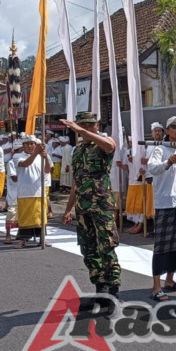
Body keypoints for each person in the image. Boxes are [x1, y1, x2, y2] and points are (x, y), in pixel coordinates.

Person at [61, 112, 121, 305]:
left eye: (89, 125)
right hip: (82, 207)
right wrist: (68, 209)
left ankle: (113, 292)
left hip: (101, 205)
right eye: (81, 125)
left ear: (96, 125)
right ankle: (100, 290)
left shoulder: (104, 142)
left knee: (107, 247)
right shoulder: (78, 151)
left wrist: (78, 130)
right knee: (89, 250)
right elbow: (76, 183)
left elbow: (111, 146)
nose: (85, 129)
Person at [146, 116, 176, 301]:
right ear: (167, 131)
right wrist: (169, 162)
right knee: (163, 246)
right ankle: (156, 286)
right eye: (173, 127)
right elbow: (152, 169)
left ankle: (170, 280)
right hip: (166, 203)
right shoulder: (160, 149)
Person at [15, 136, 52, 247]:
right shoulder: (17, 156)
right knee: (25, 216)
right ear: (23, 145)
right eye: (28, 143)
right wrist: (36, 153)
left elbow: (47, 170)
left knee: (40, 216)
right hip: (24, 192)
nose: (31, 146)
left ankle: (42, 238)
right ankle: (23, 240)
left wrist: (45, 158)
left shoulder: (43, 156)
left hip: (39, 191)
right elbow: (25, 164)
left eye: (33, 143)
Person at [4, 140, 22, 244]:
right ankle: (8, 235)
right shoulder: (12, 162)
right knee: (12, 213)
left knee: (23, 214)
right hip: (14, 192)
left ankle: (21, 233)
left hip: (24, 192)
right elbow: (14, 177)